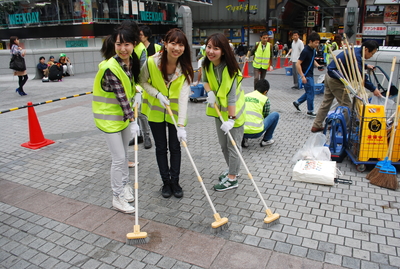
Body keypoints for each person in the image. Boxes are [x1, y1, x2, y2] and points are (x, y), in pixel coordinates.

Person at [92, 21, 142, 213]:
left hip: (121, 118)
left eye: (127, 44)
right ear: (114, 44)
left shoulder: (128, 63)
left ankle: (125, 185)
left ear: (134, 44)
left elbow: (129, 86)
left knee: (125, 155)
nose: (123, 48)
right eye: (119, 44)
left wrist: (137, 90)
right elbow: (121, 97)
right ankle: (117, 196)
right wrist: (133, 120)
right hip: (109, 119)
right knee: (119, 158)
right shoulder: (111, 67)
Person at [140, 28, 194, 199]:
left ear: (185, 47)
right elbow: (141, 81)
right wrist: (157, 94)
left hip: (175, 114)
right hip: (156, 112)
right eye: (173, 43)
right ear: (165, 43)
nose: (176, 48)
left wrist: (181, 126)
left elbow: (184, 97)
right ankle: (166, 182)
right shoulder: (151, 62)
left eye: (181, 44)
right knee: (161, 148)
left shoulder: (184, 67)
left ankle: (175, 182)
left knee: (175, 147)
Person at [203, 33, 245, 192]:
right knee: (223, 145)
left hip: (234, 114)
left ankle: (233, 178)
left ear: (224, 51)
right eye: (208, 47)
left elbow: (232, 98)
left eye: (216, 48)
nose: (211, 51)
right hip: (219, 113)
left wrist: (232, 120)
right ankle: (231, 170)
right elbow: (205, 81)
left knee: (233, 146)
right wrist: (209, 92)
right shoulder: (206, 64)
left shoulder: (232, 70)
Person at [311, 40, 381, 132]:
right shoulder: (356, 56)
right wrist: (373, 89)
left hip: (329, 75)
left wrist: (366, 65)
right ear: (366, 49)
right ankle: (347, 128)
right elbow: (360, 76)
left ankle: (316, 125)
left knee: (326, 102)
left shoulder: (355, 51)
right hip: (336, 79)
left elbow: (355, 64)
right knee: (347, 105)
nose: (371, 56)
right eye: (372, 53)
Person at [129, 22, 153, 150]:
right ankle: (137, 136)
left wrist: (138, 89)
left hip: (139, 86)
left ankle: (146, 136)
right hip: (129, 85)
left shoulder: (140, 49)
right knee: (134, 111)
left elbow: (143, 71)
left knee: (142, 113)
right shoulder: (126, 46)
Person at [292, 32, 323, 117]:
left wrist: (318, 66)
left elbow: (312, 60)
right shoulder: (305, 51)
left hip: (310, 74)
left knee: (310, 91)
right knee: (311, 93)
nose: (317, 44)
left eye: (318, 42)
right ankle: (310, 110)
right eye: (316, 42)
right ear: (310, 41)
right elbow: (297, 64)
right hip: (306, 75)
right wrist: (302, 76)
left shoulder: (313, 50)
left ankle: (297, 102)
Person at [241, 79, 279, 148]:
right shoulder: (265, 99)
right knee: (275, 115)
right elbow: (266, 115)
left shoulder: (245, 96)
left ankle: (244, 139)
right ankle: (266, 140)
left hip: (241, 131)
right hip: (256, 133)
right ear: (265, 91)